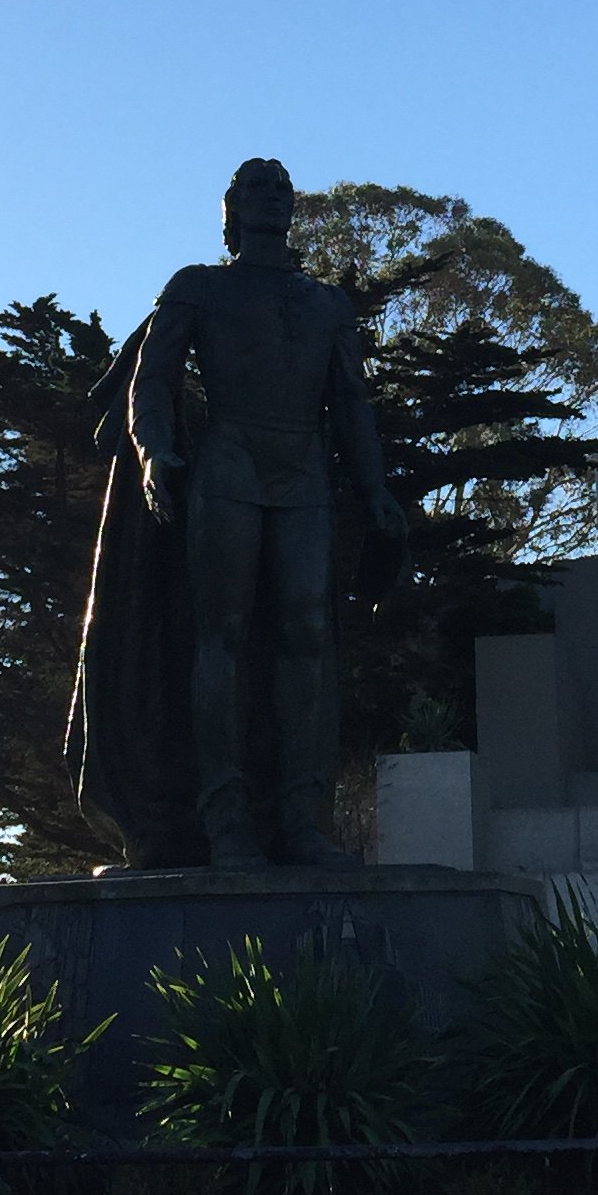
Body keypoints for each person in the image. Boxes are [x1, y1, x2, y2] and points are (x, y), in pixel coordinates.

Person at [126, 158, 407, 867]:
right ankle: (225, 819)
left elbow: (350, 402)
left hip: (303, 467)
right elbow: (151, 380)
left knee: (308, 634)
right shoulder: (199, 287)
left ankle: (302, 820)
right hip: (230, 460)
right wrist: (154, 452)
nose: (270, 198)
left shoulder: (325, 304)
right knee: (220, 634)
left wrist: (374, 488)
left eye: (281, 189)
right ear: (230, 208)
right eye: (256, 189)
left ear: (293, 209)